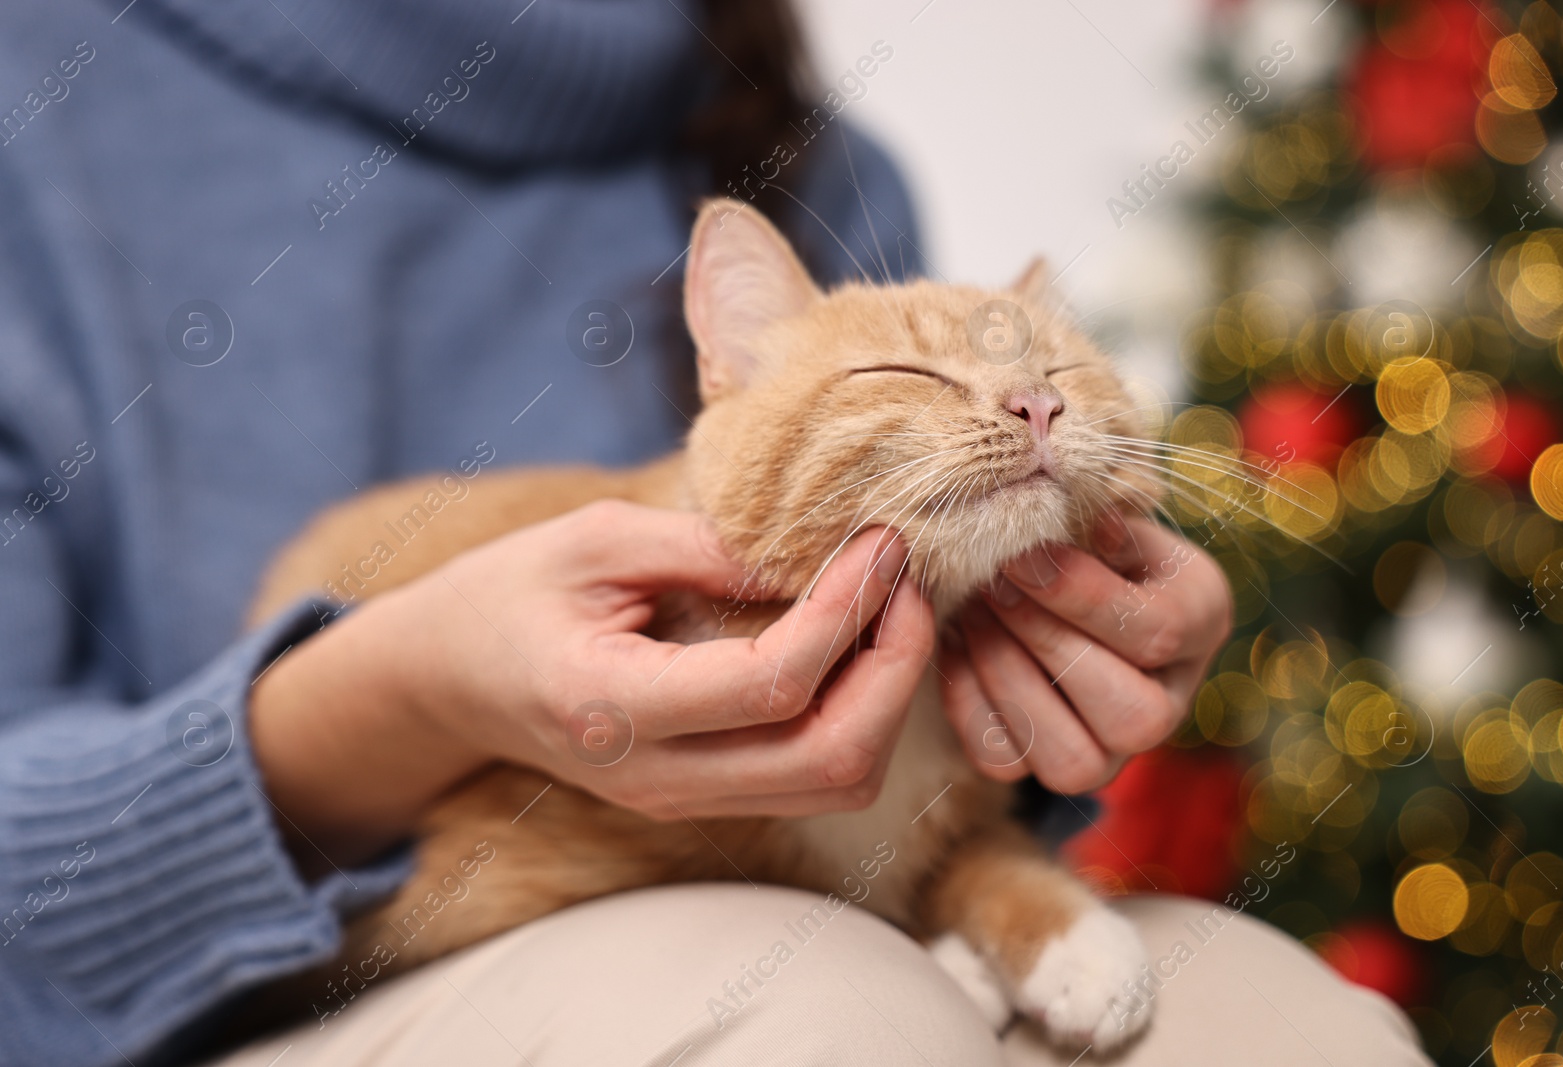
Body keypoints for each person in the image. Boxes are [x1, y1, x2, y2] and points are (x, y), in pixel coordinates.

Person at [0, 1, 1430, 1065]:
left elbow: (919, 819)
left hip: (865, 907)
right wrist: (390, 702)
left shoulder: (818, 143)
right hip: (203, 1005)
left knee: (1299, 1033)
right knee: (816, 1019)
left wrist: (1054, 689)